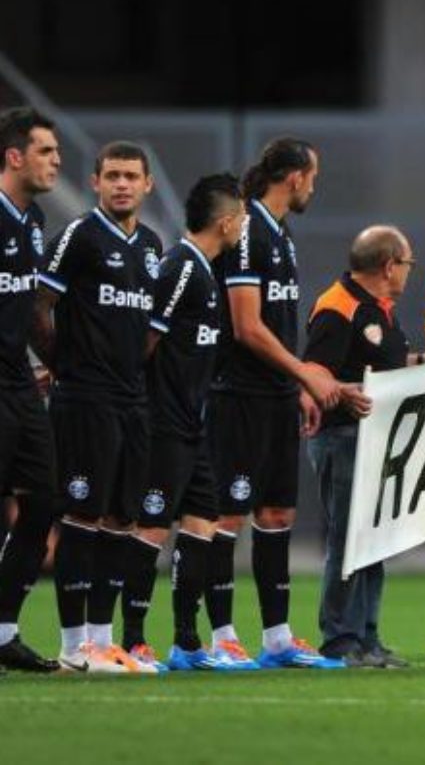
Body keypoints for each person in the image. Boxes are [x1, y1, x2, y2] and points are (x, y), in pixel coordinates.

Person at [207, 138, 359, 669]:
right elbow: (247, 327)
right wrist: (308, 377)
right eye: (312, 176)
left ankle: (276, 637)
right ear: (294, 177)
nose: (313, 186)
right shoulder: (246, 229)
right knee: (227, 515)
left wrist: (293, 387)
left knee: (277, 513)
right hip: (238, 394)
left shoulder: (281, 234)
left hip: (274, 394)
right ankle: (221, 636)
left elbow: (275, 323)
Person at [34, 141, 163, 673]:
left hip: (132, 399)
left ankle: (102, 639)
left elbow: (149, 328)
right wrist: (62, 363)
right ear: (95, 182)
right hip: (85, 399)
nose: (122, 184)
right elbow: (38, 306)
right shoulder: (78, 237)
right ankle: (72, 646)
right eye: (112, 175)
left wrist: (132, 366)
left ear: (147, 184)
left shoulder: (152, 245)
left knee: (120, 519)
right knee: (82, 516)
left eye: (131, 176)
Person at [304, 225, 425, 667]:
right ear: (389, 265)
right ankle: (340, 640)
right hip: (343, 437)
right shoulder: (339, 307)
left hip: (374, 438)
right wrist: (347, 392)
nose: (409, 271)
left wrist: (422, 362)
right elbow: (315, 377)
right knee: (349, 539)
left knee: (373, 540)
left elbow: (381, 367)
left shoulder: (377, 308)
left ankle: (367, 638)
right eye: (407, 263)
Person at [117, 174, 253, 671]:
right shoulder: (181, 267)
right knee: (152, 527)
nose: (243, 225)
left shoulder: (206, 271)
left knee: (202, 525)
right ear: (225, 222)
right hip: (162, 422)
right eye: (240, 216)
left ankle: (186, 642)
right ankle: (132, 641)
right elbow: (147, 340)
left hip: (191, 424)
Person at [0, 107, 61, 672]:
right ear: (14, 156)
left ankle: (3, 629)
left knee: (44, 500)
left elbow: (32, 307)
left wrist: (56, 361)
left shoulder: (34, 218)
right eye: (45, 151)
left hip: (19, 383)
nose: (56, 161)